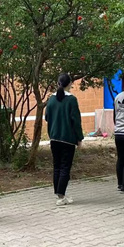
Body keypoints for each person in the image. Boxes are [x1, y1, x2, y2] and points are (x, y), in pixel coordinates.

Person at [45, 73, 84, 205]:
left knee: (56, 166)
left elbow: (47, 117)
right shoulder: (72, 100)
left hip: (54, 138)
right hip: (67, 139)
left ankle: (59, 194)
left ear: (58, 83)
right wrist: (79, 138)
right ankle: (61, 196)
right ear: (70, 84)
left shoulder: (51, 99)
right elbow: (76, 121)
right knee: (65, 167)